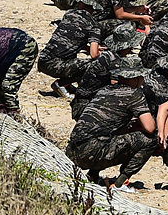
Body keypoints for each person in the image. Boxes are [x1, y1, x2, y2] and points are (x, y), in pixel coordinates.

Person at [65, 55, 157, 192]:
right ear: (136, 78)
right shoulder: (134, 94)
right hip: (91, 153)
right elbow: (150, 127)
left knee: (108, 136)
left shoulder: (105, 90)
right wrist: (137, 126)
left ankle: (93, 175)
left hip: (72, 152)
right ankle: (121, 183)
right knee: (151, 139)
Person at [37, 0, 104, 98]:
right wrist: (101, 53)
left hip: (43, 60)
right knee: (95, 64)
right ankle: (62, 84)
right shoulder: (93, 25)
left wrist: (87, 48)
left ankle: (67, 84)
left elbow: (71, 39)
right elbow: (94, 55)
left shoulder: (69, 14)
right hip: (56, 65)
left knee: (74, 58)